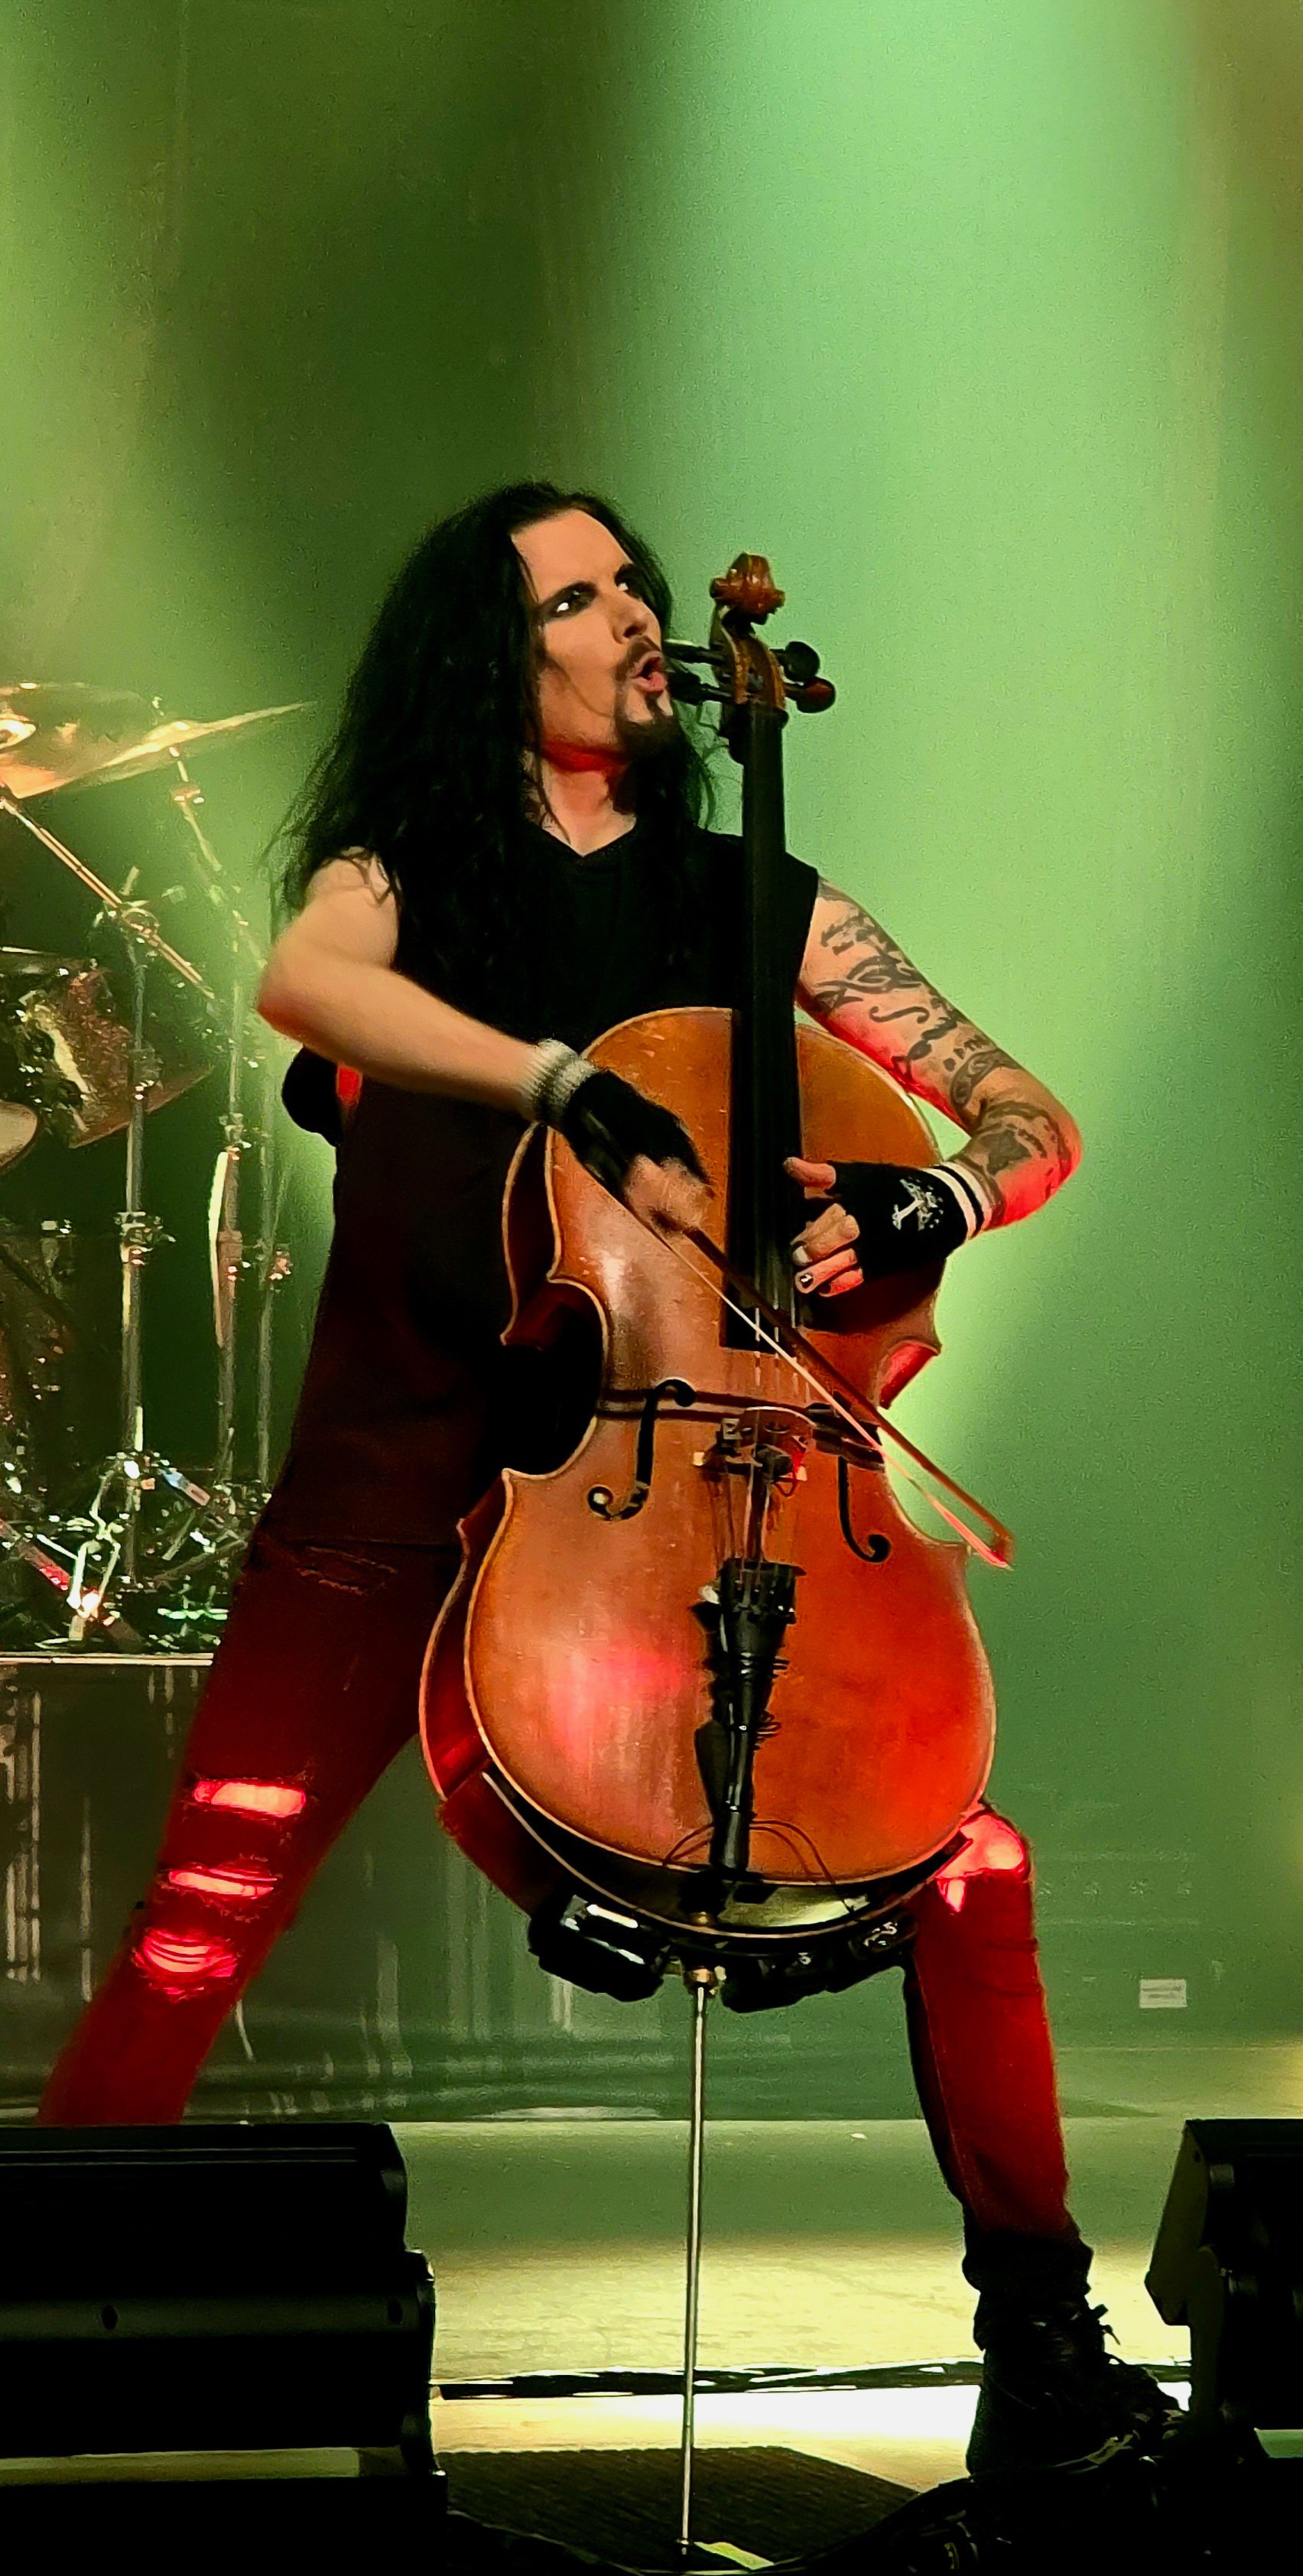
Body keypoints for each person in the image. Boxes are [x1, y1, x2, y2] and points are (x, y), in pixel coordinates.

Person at [41, 482, 1174, 2477]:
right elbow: (308, 987)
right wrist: (562, 1079)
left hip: (702, 1497)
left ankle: (1045, 2341)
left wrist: (938, 1183)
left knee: (973, 1860)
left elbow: (1025, 1107)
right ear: (506, 656)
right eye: (583, 593)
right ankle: (39, 2304)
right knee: (203, 1911)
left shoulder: (766, 903)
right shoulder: (413, 881)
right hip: (399, 1489)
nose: (636, 613)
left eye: (638, 579)